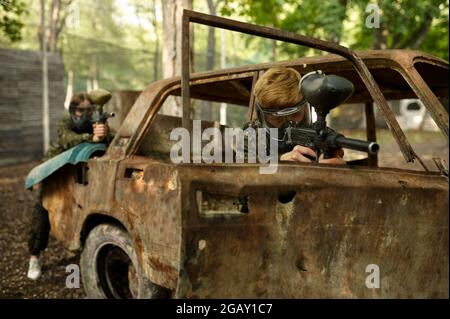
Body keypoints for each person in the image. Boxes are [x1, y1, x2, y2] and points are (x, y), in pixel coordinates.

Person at [27, 90, 113, 280]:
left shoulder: (95, 122)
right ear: (74, 111)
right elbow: (67, 140)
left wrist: (104, 133)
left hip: (80, 174)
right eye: (82, 110)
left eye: (90, 110)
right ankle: (35, 255)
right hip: (55, 170)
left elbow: (113, 138)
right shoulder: (65, 122)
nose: (87, 114)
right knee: (42, 211)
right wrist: (92, 138)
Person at [243, 66, 346, 164]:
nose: (288, 124)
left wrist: (332, 165)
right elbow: (242, 168)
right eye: (276, 119)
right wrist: (279, 161)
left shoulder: (321, 135)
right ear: (263, 117)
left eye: (295, 114)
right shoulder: (251, 134)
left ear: (306, 109)